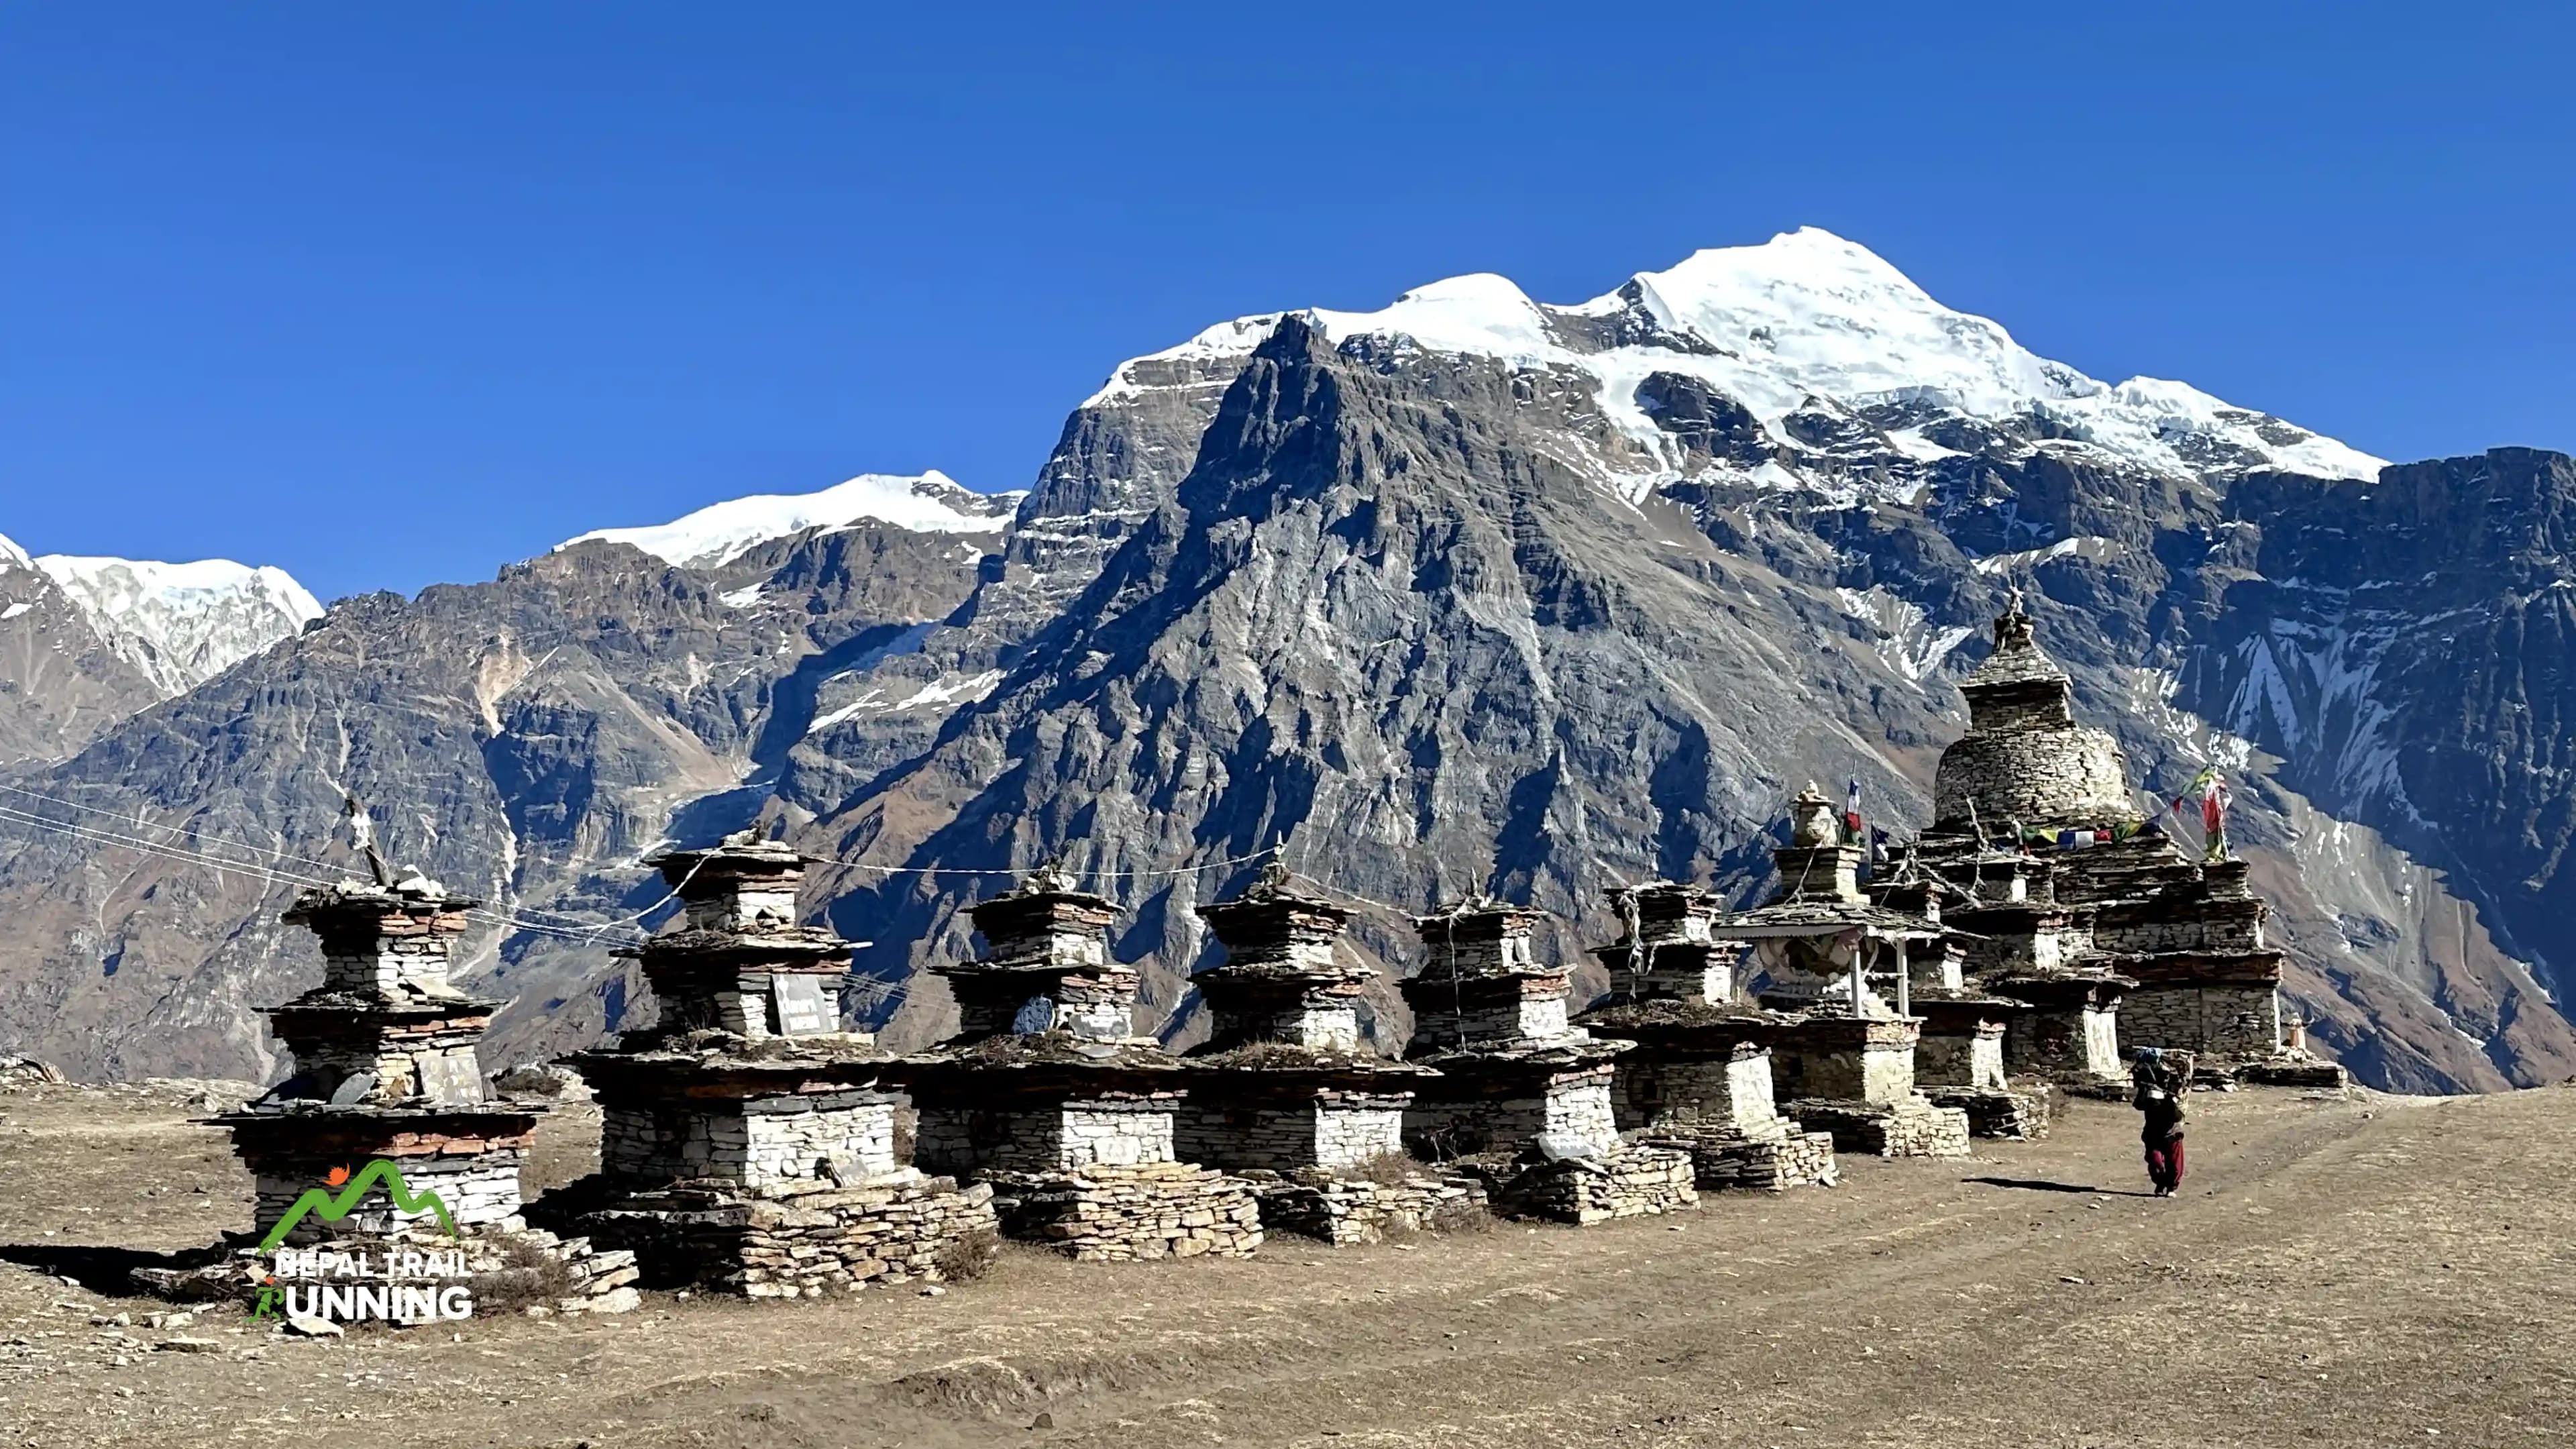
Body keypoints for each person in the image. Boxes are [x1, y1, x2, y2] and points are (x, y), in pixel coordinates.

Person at [2130, 1046, 2191, 1196]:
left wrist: (2169, 1098)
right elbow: (2138, 1104)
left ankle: (2171, 1187)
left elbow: (2178, 1109)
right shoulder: (2146, 1086)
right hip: (2153, 1129)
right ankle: (2161, 1183)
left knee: (2175, 1163)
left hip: (2172, 1129)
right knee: (2155, 1160)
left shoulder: (2175, 1087)